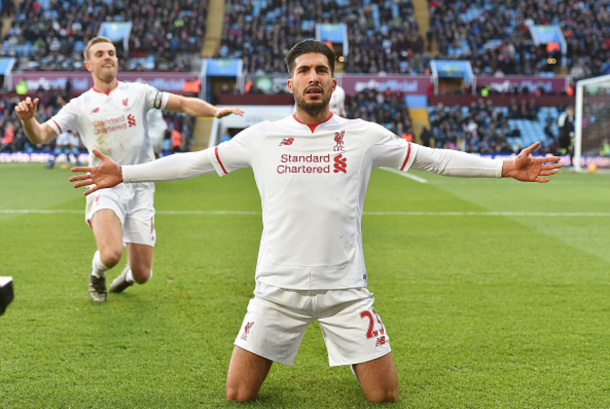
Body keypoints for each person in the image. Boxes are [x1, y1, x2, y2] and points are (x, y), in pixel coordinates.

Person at [69, 40, 562, 403]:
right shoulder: (261, 137)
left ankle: (352, 353)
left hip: (345, 289)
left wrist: (504, 166)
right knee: (238, 393)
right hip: (276, 290)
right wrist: (123, 172)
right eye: (303, 69)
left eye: (321, 70)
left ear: (332, 83)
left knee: (383, 395)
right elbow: (193, 162)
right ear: (290, 83)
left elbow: (434, 159)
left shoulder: (364, 135)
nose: (312, 77)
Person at [14, 36, 244, 302]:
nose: (107, 57)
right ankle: (97, 274)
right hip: (103, 183)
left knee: (143, 274)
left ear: (117, 59)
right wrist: (28, 120)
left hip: (140, 184)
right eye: (100, 54)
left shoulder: (138, 92)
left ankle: (127, 277)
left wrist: (213, 111)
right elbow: (41, 135)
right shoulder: (79, 106)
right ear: (88, 64)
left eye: (111, 52)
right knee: (111, 254)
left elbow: (181, 103)